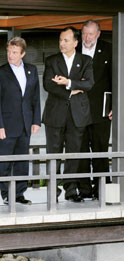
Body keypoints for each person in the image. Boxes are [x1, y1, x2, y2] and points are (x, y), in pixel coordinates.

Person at [42, 26, 94, 202]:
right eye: (60, 40)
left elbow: (89, 84)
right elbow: (48, 85)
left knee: (74, 153)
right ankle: (52, 192)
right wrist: (72, 90)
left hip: (77, 115)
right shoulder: (51, 60)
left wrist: (68, 82)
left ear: (75, 42)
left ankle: (71, 190)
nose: (62, 43)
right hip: (55, 114)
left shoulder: (86, 60)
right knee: (54, 154)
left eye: (66, 40)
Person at [0, 36, 41, 205]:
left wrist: (36, 121)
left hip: (26, 124)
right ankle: (6, 195)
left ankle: (19, 194)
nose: (10, 55)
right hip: (6, 125)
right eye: (9, 51)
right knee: (5, 162)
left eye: (14, 52)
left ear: (23, 53)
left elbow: (35, 98)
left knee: (21, 162)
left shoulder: (32, 70)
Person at [77, 20, 112, 200]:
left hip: (102, 111)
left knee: (100, 150)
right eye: (84, 34)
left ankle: (102, 190)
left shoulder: (109, 49)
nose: (86, 38)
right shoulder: (75, 49)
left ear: (98, 34)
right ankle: (84, 190)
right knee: (81, 151)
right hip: (78, 111)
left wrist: (114, 106)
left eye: (90, 34)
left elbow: (117, 79)